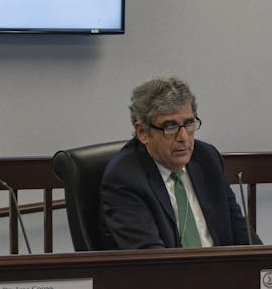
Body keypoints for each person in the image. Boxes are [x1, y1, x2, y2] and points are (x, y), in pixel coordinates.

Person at [100, 76, 262, 249]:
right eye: (170, 127)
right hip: (168, 274)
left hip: (222, 272)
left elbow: (244, 236)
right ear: (143, 133)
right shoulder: (125, 178)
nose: (183, 137)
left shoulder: (206, 158)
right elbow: (149, 257)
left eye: (189, 124)